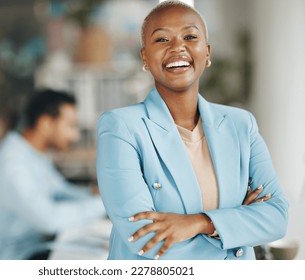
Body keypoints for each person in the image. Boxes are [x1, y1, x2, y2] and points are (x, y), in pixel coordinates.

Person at [96, 1, 288, 260]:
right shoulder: (121, 128)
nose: (177, 47)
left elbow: (276, 218)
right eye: (162, 39)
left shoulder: (241, 124)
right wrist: (237, 224)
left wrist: (199, 222)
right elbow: (146, 239)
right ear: (145, 57)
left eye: (190, 36)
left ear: (207, 53)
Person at [0, 89, 105, 260]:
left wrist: (95, 194)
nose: (76, 135)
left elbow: (60, 192)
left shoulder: (31, 155)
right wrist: (107, 203)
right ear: (45, 123)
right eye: (71, 126)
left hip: (29, 248)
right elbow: (49, 220)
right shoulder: (12, 165)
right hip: (11, 259)